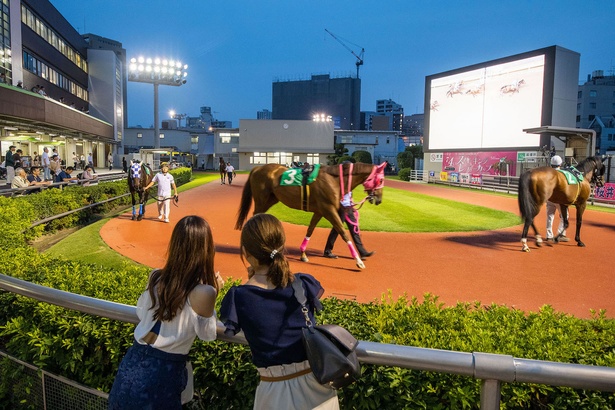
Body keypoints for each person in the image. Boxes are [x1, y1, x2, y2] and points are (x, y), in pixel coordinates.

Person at [220, 213, 339, 410]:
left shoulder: (239, 297)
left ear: (247, 253)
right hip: (319, 389)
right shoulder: (303, 283)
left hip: (274, 392)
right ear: (281, 246)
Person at [108, 215, 223, 410]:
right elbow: (207, 334)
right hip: (163, 374)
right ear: (205, 248)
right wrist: (215, 291)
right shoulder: (205, 292)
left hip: (133, 363)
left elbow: (141, 313)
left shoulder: (156, 277)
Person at [323, 191, 374, 259]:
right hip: (341, 207)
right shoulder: (342, 182)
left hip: (348, 207)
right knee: (337, 229)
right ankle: (327, 251)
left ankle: (362, 252)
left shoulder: (349, 182)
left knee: (354, 229)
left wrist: (351, 202)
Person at [546, 155, 570, 242]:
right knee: (565, 216)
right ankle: (561, 234)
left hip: (549, 198)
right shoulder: (563, 173)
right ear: (560, 164)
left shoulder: (548, 174)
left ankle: (549, 235)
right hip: (559, 200)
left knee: (550, 216)